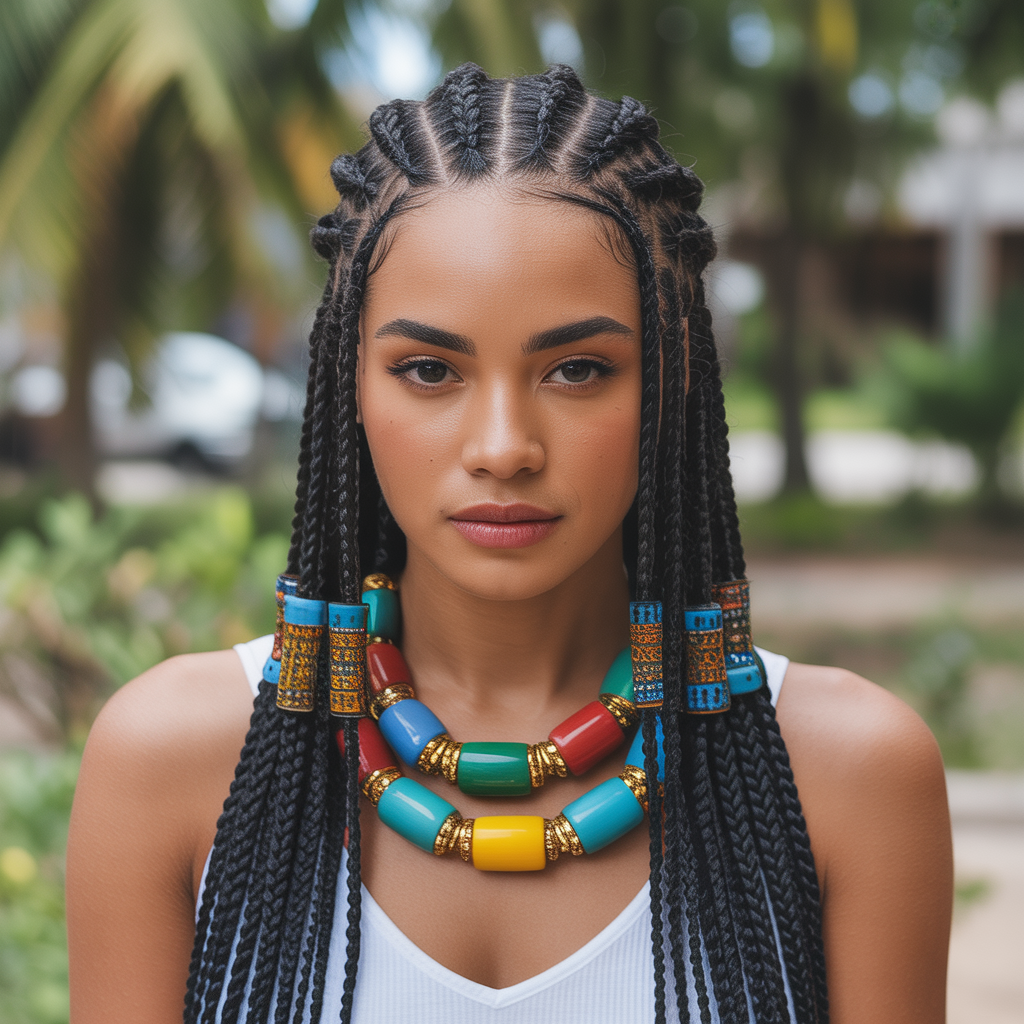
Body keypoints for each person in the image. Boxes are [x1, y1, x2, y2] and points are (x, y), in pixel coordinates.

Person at [66, 64, 953, 1024]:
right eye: (428, 369)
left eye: (578, 369)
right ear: (346, 380)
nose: (502, 448)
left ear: (675, 374)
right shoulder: (169, 761)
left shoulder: (850, 777)